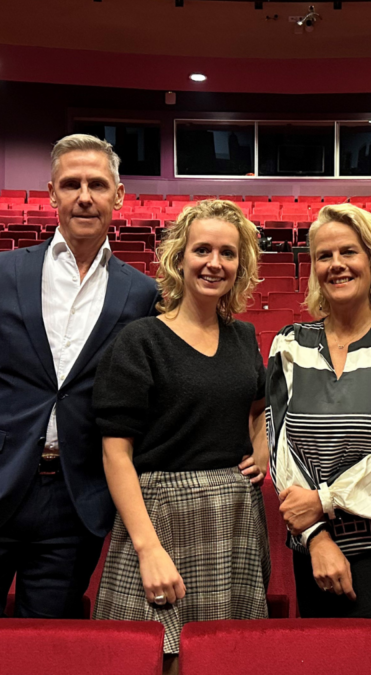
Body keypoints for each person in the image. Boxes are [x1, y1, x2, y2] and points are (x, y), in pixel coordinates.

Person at [0, 134, 160, 620]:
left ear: (118, 196)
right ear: (51, 193)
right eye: (71, 184)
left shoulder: (141, 293)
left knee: (49, 655)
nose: (84, 197)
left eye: (97, 185)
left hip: (74, 504)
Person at [93, 199, 270, 664]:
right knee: (159, 660)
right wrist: (148, 548)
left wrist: (262, 443)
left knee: (229, 659)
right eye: (202, 250)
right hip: (160, 516)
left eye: (228, 254)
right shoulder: (141, 339)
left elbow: (259, 407)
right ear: (179, 258)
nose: (214, 263)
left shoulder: (245, 337)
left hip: (234, 517)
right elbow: (115, 453)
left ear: (241, 265)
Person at [266, 203, 371, 620]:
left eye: (348, 252)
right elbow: (280, 452)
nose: (336, 265)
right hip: (314, 545)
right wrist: (316, 536)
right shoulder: (289, 344)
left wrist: (324, 502)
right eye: (324, 256)